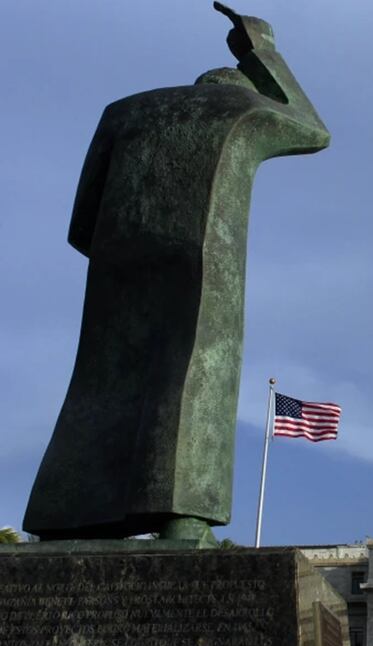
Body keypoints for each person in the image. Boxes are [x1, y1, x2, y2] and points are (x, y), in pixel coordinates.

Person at [24, 3, 330, 544]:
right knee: (193, 373)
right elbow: (314, 130)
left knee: (99, 378)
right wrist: (262, 51)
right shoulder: (241, 110)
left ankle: (68, 515)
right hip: (205, 257)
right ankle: (182, 516)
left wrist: (122, 253)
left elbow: (80, 223)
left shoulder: (124, 111)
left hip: (116, 261)